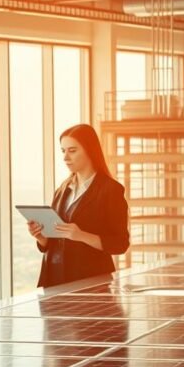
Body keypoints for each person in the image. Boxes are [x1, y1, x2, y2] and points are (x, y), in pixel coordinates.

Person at [28, 123, 129, 288]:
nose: (65, 157)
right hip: (54, 280)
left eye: (72, 151)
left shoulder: (110, 190)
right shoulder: (62, 188)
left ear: (90, 150)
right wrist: (41, 237)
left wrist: (81, 235)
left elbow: (120, 244)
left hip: (91, 282)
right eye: (63, 151)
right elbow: (54, 241)